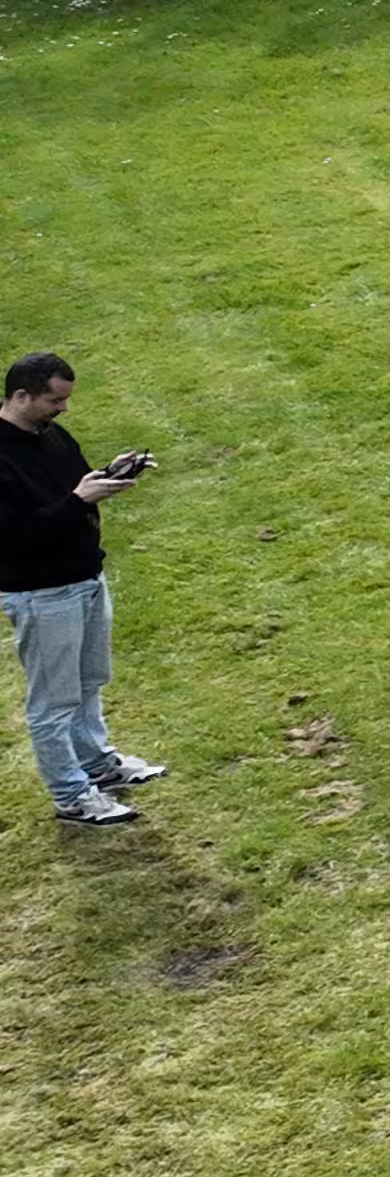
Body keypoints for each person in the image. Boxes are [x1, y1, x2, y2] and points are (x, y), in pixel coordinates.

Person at [3, 352, 161, 829]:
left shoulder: (49, 435)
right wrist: (78, 502)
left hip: (85, 578)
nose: (64, 410)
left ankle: (97, 764)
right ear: (21, 395)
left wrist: (113, 473)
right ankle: (72, 795)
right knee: (53, 702)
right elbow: (14, 537)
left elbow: (76, 482)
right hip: (41, 592)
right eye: (55, 400)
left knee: (89, 680)